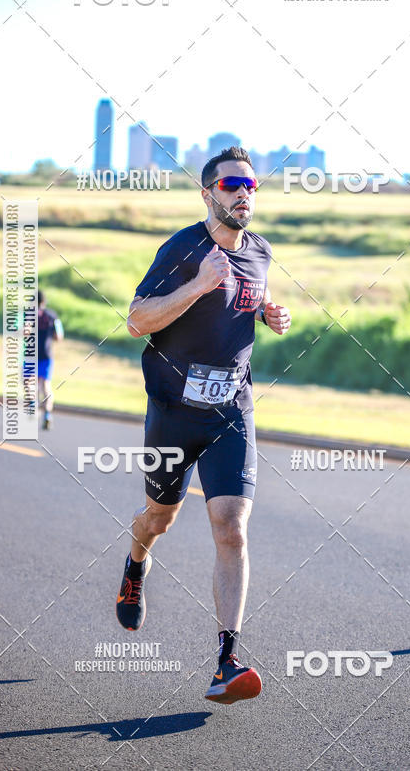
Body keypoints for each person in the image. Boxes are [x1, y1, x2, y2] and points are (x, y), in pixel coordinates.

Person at [116, 146, 292, 704]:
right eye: (232, 184)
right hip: (172, 413)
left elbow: (251, 298)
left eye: (251, 185)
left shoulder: (261, 252)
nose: (244, 193)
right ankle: (135, 561)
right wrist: (195, 284)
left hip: (230, 413)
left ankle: (227, 658)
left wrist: (270, 313)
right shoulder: (181, 248)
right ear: (208, 193)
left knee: (231, 527)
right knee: (159, 519)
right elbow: (136, 319)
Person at [37, 290, 64, 430]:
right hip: (47, 355)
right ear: (44, 301)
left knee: (32, 385)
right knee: (46, 386)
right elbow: (59, 336)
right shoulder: (52, 316)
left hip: (32, 355)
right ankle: (47, 414)